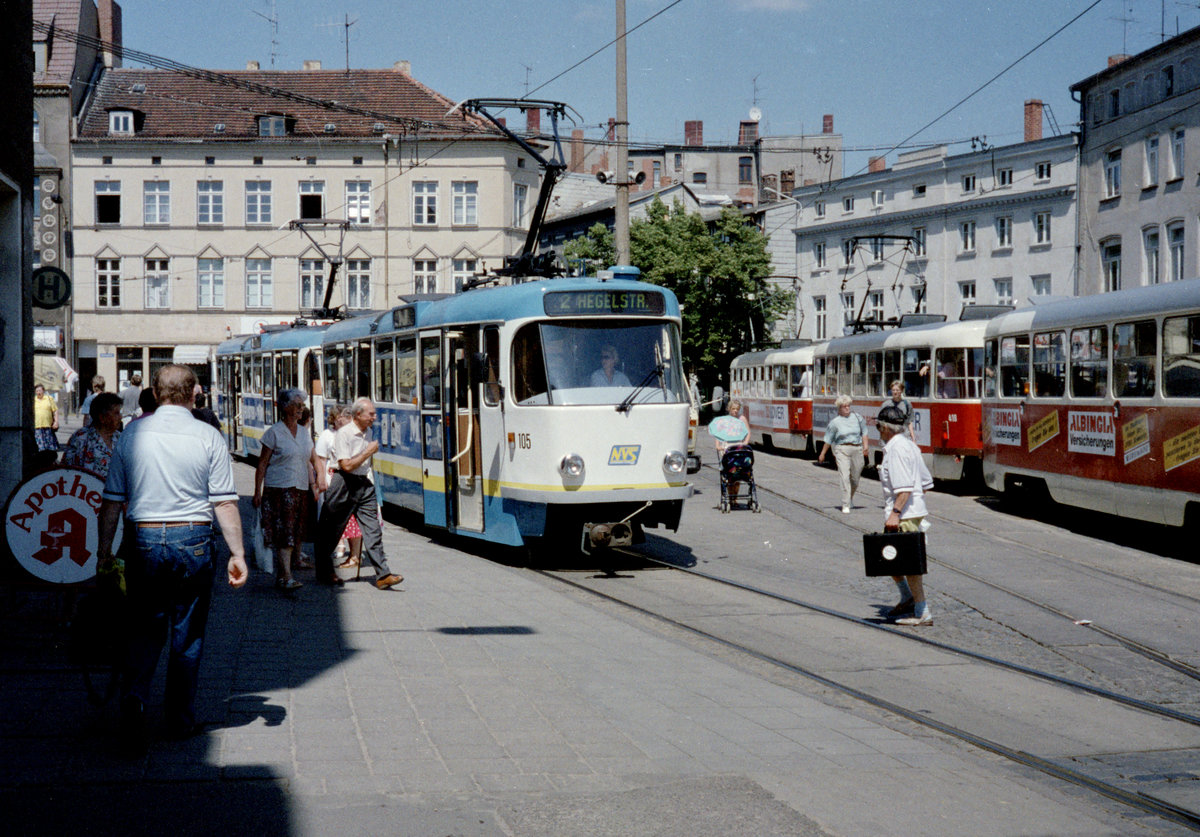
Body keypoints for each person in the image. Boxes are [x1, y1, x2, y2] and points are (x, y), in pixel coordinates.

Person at [97, 364, 248, 747]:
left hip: (143, 536)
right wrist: (238, 553)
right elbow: (225, 502)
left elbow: (112, 502)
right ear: (194, 392)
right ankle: (179, 720)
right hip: (193, 538)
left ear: (155, 391)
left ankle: (135, 701)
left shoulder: (130, 435)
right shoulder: (208, 435)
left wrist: (103, 552)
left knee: (144, 628)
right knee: (188, 633)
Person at [314, 397, 402, 590]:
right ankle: (324, 571)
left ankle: (383, 574)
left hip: (364, 483)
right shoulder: (344, 434)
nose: (375, 417)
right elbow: (345, 465)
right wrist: (368, 452)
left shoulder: (368, 431)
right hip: (344, 483)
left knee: (372, 529)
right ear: (358, 415)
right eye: (371, 414)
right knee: (331, 529)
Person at [876, 404, 935, 626]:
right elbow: (926, 482)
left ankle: (922, 611)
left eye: (878, 427)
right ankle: (907, 597)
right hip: (911, 511)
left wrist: (896, 513)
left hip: (903, 514)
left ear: (884, 428)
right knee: (889, 558)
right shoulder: (910, 446)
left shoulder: (897, 450)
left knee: (909, 563)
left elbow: (905, 488)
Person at [253, 389, 317, 591]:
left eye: (302, 406)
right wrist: (257, 491)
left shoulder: (304, 432)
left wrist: (316, 481)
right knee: (285, 533)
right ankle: (287, 576)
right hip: (279, 489)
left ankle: (283, 575)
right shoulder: (274, 433)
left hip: (300, 488)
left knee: (295, 532)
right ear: (285, 407)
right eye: (297, 405)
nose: (301, 409)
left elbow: (310, 459)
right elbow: (262, 464)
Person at [315, 407, 361, 569]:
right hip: (333, 478)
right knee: (333, 516)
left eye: (346, 418)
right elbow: (320, 459)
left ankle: (355, 554)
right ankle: (335, 546)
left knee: (353, 518)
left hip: (353, 479)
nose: (343, 421)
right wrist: (321, 480)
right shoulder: (327, 435)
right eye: (340, 418)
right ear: (334, 419)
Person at [817, 394, 869, 514]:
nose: (847, 408)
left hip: (857, 449)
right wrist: (822, 453)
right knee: (844, 476)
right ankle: (845, 504)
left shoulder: (857, 418)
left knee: (855, 479)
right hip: (842, 450)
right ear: (839, 408)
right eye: (844, 406)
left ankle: (849, 498)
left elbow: (864, 432)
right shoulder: (835, 423)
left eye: (848, 406)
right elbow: (828, 439)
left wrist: (866, 446)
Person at [62, 392, 123, 477]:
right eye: (116, 413)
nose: (120, 417)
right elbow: (67, 471)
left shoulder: (120, 438)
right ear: (102, 418)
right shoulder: (81, 438)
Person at [714, 399, 750, 502]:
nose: (735, 411)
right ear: (729, 409)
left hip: (738, 445)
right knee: (729, 473)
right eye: (733, 409)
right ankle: (731, 498)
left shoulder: (742, 419)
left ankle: (734, 498)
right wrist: (718, 445)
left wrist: (745, 444)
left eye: (737, 409)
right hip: (727, 446)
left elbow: (748, 433)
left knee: (738, 472)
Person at [33, 383, 59, 454]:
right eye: (37, 391)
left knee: (50, 446)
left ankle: (50, 461)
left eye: (40, 390)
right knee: (40, 447)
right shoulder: (33, 400)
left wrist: (56, 422)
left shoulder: (49, 399)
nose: (38, 392)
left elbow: (55, 411)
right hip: (37, 426)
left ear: (43, 391)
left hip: (48, 425)